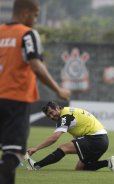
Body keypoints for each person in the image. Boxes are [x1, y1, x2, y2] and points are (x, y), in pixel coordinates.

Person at [0, 0, 71, 183]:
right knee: (14, 152)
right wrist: (58, 89)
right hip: (16, 99)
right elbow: (36, 66)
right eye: (36, 15)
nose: (36, 20)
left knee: (8, 149)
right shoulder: (27, 34)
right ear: (25, 13)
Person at [24, 101, 114, 173]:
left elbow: (54, 138)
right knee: (80, 168)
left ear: (57, 108)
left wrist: (36, 148)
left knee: (64, 148)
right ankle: (108, 162)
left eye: (52, 112)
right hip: (102, 140)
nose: (52, 116)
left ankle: (36, 166)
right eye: (49, 115)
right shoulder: (67, 112)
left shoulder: (65, 116)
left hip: (95, 138)